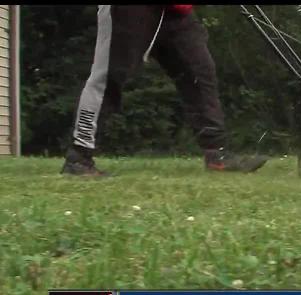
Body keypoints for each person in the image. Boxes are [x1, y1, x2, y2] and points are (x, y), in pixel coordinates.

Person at [61, 5, 269, 176]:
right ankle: (79, 158)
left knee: (199, 71)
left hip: (176, 11)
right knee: (109, 76)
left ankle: (217, 155)